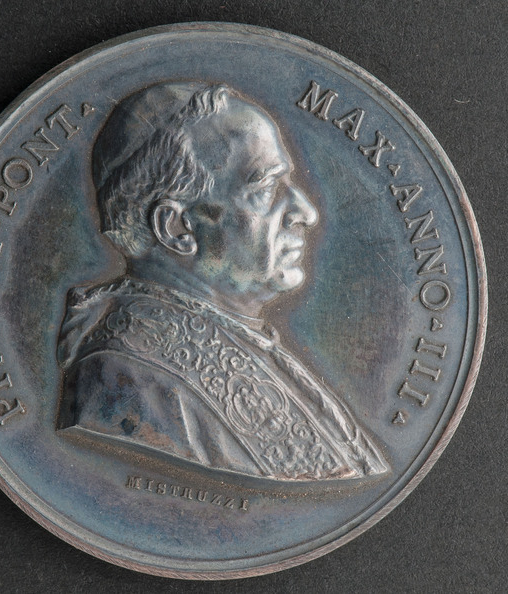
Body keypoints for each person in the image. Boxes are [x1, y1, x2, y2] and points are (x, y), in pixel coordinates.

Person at [56, 81, 387, 481]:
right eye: (265, 187)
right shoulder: (130, 380)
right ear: (177, 226)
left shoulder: (241, 338)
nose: (305, 211)